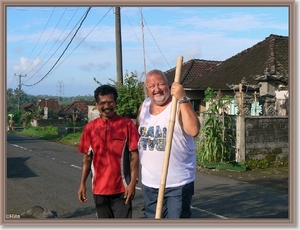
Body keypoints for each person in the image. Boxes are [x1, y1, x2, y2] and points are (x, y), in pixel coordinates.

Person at [136, 69, 200, 218]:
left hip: (177, 183)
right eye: (152, 86)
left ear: (168, 85)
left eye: (160, 84)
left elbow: (194, 130)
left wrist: (183, 98)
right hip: (150, 183)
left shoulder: (179, 104)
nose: (156, 89)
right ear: (147, 90)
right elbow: (137, 134)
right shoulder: (144, 106)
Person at [77, 84, 140, 218]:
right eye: (102, 103)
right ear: (97, 105)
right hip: (99, 190)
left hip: (122, 190)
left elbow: (134, 155)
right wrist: (82, 184)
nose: (107, 106)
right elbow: (87, 158)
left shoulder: (127, 125)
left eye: (110, 102)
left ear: (115, 103)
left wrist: (133, 183)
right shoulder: (90, 128)